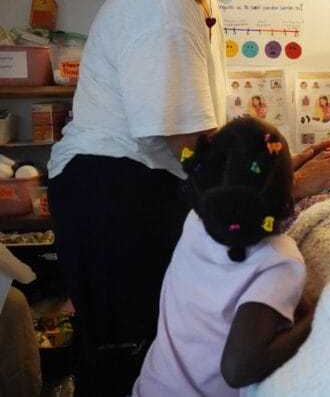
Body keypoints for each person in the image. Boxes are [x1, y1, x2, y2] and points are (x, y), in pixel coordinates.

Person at [46, 0, 285, 394]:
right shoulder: (163, 4)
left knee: (133, 349)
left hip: (130, 188)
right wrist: (283, 182)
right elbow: (190, 146)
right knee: (126, 356)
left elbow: (204, 140)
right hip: (113, 194)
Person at [132, 117, 311, 396]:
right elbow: (238, 369)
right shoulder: (279, 260)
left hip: (151, 387)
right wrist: (316, 319)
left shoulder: (196, 222)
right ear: (289, 189)